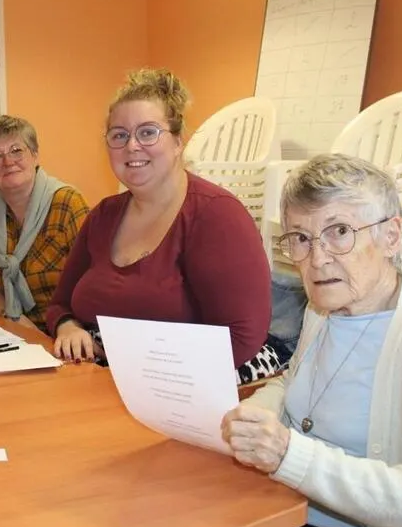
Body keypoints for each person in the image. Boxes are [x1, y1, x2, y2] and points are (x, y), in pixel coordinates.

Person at [159, 154, 402, 527]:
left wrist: (290, 455)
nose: (317, 259)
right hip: (278, 518)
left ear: (391, 236)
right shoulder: (323, 309)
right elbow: (292, 380)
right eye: (301, 238)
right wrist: (259, 412)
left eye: (340, 232)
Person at [45, 68, 279, 382]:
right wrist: (68, 327)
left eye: (148, 132)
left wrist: (138, 370)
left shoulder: (217, 216)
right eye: (119, 135)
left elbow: (241, 338)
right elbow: (60, 304)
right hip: (108, 374)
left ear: (178, 141)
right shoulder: (102, 216)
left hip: (195, 379)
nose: (132, 146)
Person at [0, 115, 89, 332]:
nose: (8, 162)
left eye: (16, 151)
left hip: (70, 331)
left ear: (34, 155)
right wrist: (17, 322)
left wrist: (65, 328)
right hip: (14, 330)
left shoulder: (67, 203)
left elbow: (92, 279)